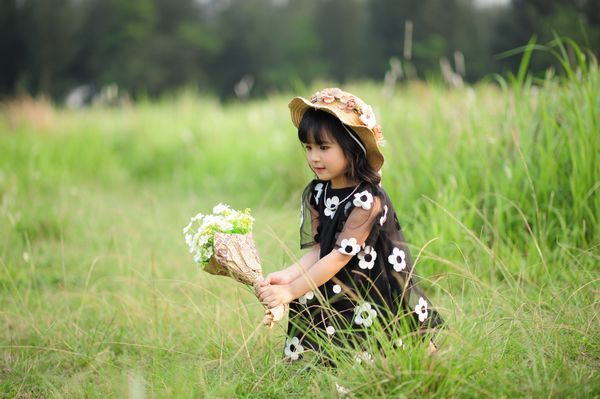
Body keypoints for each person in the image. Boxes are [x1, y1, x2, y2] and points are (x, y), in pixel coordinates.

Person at [256, 88, 444, 362]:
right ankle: (328, 361)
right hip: (341, 275)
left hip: (378, 279)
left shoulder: (368, 199)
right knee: (312, 301)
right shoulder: (317, 193)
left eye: (324, 147)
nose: (314, 158)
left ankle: (431, 363)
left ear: (352, 146)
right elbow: (321, 250)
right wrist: (289, 275)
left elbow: (338, 256)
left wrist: (290, 290)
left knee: (402, 330)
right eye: (308, 148)